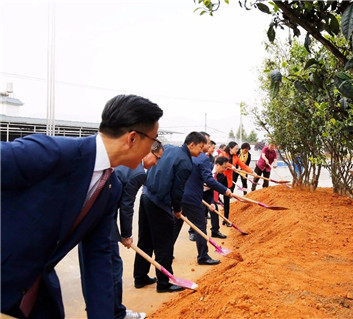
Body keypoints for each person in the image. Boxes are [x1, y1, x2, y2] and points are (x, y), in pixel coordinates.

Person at [1, 94, 163, 319]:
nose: (151, 150)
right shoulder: (52, 153)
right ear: (133, 138)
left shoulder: (110, 188)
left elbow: (98, 257)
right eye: (152, 140)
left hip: (35, 292)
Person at [133, 132, 206, 293]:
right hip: (159, 202)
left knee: (145, 240)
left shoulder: (168, 148)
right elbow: (177, 190)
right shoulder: (186, 163)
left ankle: (140, 277)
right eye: (201, 147)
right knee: (164, 245)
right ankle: (164, 283)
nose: (202, 150)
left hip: (146, 196)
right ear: (191, 145)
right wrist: (177, 209)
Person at [109, 145, 163, 319]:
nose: (156, 163)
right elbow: (126, 206)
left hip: (96, 214)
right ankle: (117, 313)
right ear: (147, 152)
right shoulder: (138, 172)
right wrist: (126, 234)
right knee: (113, 266)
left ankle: (105, 310)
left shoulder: (124, 159)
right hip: (102, 219)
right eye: (157, 158)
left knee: (98, 267)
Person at [182, 132, 232, 266]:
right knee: (200, 225)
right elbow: (209, 181)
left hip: (181, 196)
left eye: (208, 143)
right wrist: (225, 190)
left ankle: (167, 254)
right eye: (206, 143)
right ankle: (203, 256)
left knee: (175, 225)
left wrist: (212, 202)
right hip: (191, 197)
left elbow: (208, 187)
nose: (207, 145)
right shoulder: (203, 160)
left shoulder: (189, 157)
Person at [219, 141, 257, 225]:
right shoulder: (223, 154)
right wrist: (230, 165)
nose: (237, 150)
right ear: (230, 148)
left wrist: (252, 172)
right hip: (219, 179)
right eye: (236, 149)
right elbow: (221, 161)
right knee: (213, 198)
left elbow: (243, 166)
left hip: (227, 180)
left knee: (227, 199)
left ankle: (226, 219)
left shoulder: (236, 157)